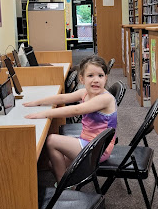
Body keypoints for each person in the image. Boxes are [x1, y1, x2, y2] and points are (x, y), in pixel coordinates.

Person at [23, 55, 117, 183]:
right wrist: (37, 102)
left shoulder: (105, 98)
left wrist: (45, 113)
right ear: (82, 79)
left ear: (105, 78)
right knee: (52, 164)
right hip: (87, 142)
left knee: (51, 140)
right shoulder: (85, 93)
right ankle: (70, 181)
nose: (96, 80)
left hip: (98, 149)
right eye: (90, 76)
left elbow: (75, 110)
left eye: (100, 76)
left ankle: (64, 186)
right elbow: (62, 98)